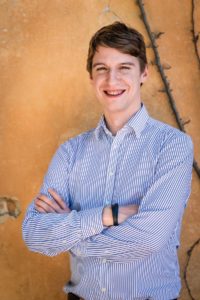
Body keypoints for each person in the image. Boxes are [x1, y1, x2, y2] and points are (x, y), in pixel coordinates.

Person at [22, 22, 193, 300]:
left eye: (124, 68)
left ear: (144, 73)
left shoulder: (172, 146)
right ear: (91, 76)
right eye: (102, 68)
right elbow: (34, 234)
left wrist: (71, 234)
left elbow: (148, 239)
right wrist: (108, 215)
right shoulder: (70, 152)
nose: (111, 80)